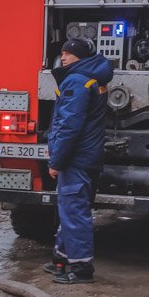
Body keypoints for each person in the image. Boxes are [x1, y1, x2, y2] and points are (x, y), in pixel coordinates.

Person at [43, 37, 113, 284]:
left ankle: (82, 269)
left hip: (76, 159)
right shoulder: (93, 79)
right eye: (61, 53)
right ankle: (61, 258)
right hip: (87, 158)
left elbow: (68, 126)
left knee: (74, 212)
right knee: (70, 209)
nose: (62, 58)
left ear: (79, 57)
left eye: (67, 54)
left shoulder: (76, 81)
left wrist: (56, 161)